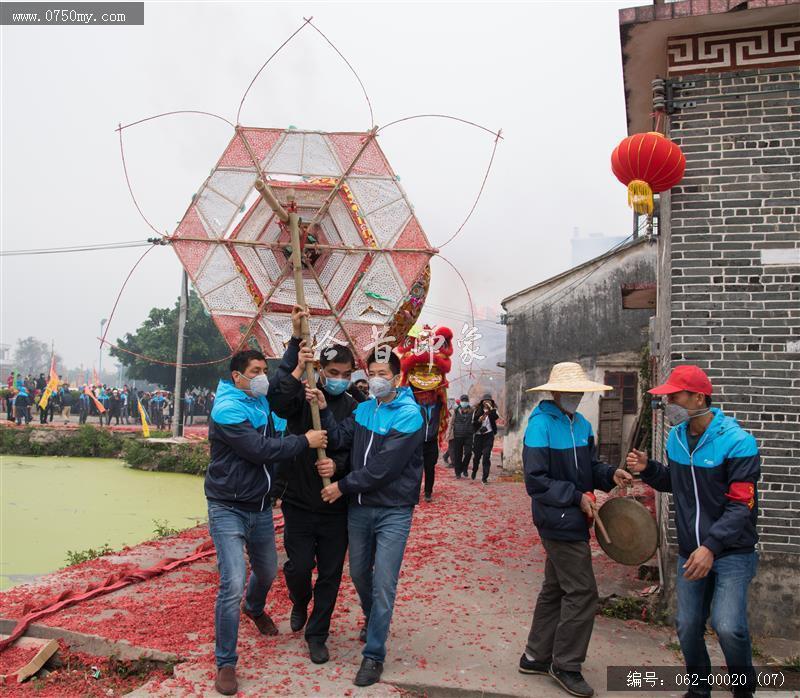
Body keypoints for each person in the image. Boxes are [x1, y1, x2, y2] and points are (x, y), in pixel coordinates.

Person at [206, 330, 328, 696]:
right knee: (231, 583)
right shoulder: (227, 409)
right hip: (227, 506)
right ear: (237, 377)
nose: (262, 375)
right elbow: (260, 449)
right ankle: (226, 663)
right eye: (255, 370)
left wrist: (295, 343)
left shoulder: (258, 400)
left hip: (259, 505)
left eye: (263, 368)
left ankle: (254, 607)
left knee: (268, 569)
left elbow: (280, 383)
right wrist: (304, 441)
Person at [626, 365, 760, 698]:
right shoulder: (676, 438)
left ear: (699, 397)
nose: (669, 402)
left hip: (731, 552)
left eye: (675, 396)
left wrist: (711, 547)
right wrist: (650, 469)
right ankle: (699, 690)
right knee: (687, 627)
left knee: (729, 628)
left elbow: (741, 505)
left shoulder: (738, 442)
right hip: (690, 551)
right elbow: (677, 483)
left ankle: (744, 690)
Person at [520, 362, 632, 698]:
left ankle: (536, 656)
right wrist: (575, 497)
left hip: (575, 516)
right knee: (583, 592)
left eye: (578, 391)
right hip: (557, 519)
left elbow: (589, 468)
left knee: (556, 588)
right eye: (569, 391)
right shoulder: (540, 425)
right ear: (555, 392)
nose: (575, 396)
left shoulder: (581, 425)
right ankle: (565, 664)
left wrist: (610, 474)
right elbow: (536, 481)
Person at [315, 349, 424, 688]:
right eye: (372, 372)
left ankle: (374, 655)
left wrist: (342, 486)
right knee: (360, 573)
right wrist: (321, 410)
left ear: (397, 377)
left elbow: (384, 468)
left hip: (393, 510)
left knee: (383, 583)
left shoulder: (410, 415)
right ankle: (373, 616)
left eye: (383, 373)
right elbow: (340, 437)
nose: (377, 379)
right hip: (360, 509)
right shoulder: (363, 409)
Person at [269, 321, 357, 665]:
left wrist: (337, 468)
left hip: (336, 505)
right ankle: (297, 599)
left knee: (331, 575)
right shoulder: (299, 399)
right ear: (319, 369)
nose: (339, 378)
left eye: (345, 373)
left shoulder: (356, 406)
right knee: (299, 567)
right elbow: (277, 396)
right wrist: (294, 346)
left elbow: (353, 450)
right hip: (299, 502)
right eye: (333, 371)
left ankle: (317, 633)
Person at [471, 394, 498, 483]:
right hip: (479, 436)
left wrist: (490, 409)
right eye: (485, 400)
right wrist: (479, 420)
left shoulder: (493, 411)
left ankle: (485, 477)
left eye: (489, 400)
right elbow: (473, 424)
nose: (487, 402)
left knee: (486, 456)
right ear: (482, 402)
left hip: (489, 436)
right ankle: (474, 470)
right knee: (477, 457)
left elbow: (496, 417)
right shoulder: (477, 411)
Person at [451, 395, 475, 479]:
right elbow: (452, 422)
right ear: (460, 401)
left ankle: (464, 468)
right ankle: (458, 472)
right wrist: (449, 434)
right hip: (457, 435)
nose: (464, 401)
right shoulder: (456, 410)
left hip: (468, 435)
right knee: (458, 455)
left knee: (468, 453)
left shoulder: (472, 410)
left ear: (468, 401)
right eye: (463, 400)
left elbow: (475, 421)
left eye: (466, 400)